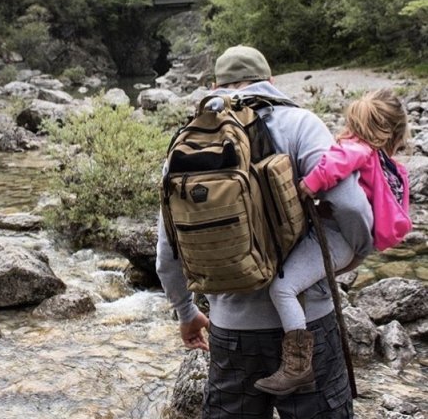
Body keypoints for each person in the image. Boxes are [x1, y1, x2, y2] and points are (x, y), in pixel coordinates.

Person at [156, 45, 374, 418]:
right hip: (309, 323)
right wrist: (354, 251)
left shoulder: (188, 142)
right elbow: (351, 204)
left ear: (215, 85)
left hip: (231, 331)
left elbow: (167, 250)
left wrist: (186, 311)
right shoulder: (301, 123)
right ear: (271, 82)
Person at [254, 89, 410, 396]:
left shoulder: (355, 148)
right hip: (342, 239)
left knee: (282, 288)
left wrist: (305, 186)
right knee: (305, 280)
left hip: (338, 238)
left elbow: (332, 168)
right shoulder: (379, 156)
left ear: (358, 122)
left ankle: (298, 367)